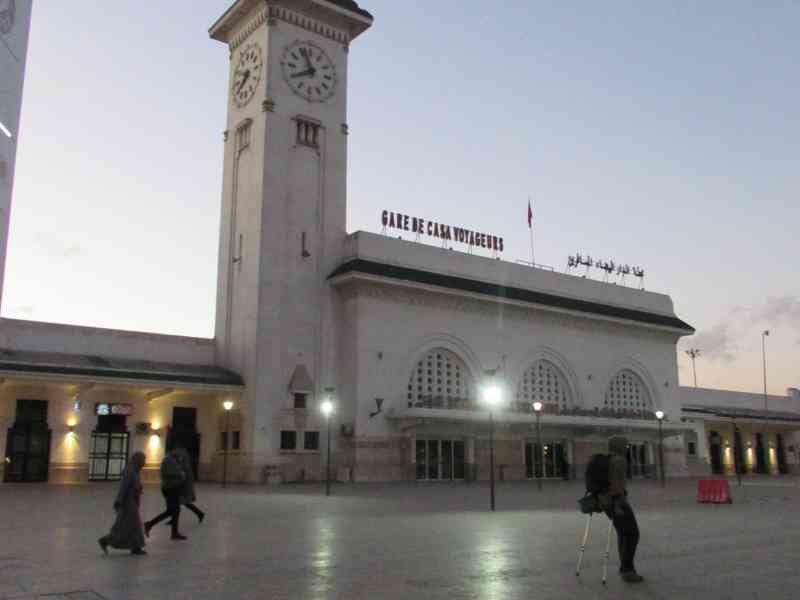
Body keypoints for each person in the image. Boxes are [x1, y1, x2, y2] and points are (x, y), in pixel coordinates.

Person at [599, 436, 643, 583]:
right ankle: (627, 570)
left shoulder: (608, 459)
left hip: (605, 501)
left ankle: (625, 567)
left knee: (623, 533)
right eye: (625, 445)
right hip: (616, 501)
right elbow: (618, 483)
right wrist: (619, 502)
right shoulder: (620, 460)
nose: (627, 447)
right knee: (632, 534)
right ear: (619, 446)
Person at [98, 451, 147, 556]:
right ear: (137, 459)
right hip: (128, 502)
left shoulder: (135, 470)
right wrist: (119, 501)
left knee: (130, 525)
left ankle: (135, 547)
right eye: (143, 460)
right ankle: (107, 540)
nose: (144, 462)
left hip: (132, 501)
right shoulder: (130, 471)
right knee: (130, 525)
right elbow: (123, 487)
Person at [144, 448, 187, 540]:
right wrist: (181, 474)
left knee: (175, 511)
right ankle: (149, 524)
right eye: (179, 451)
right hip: (171, 488)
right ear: (173, 450)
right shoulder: (168, 460)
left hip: (173, 488)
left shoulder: (173, 459)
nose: (181, 453)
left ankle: (174, 533)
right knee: (172, 511)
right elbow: (173, 473)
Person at [166, 447, 205, 526]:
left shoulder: (184, 466)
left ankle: (199, 513)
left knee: (182, 503)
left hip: (183, 487)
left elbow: (185, 477)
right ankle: (199, 513)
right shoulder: (182, 464)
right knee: (180, 503)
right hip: (181, 486)